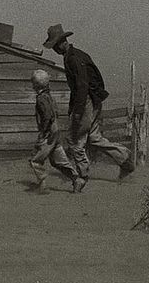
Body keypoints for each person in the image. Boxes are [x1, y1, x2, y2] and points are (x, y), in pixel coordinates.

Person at [42, 24, 135, 192]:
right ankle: (124, 159)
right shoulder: (75, 55)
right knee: (94, 138)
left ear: (62, 42)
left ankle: (82, 177)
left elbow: (82, 86)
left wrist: (77, 113)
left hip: (86, 102)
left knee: (75, 140)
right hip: (91, 100)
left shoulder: (73, 58)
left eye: (55, 45)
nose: (55, 49)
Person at [28, 69, 84, 194]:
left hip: (49, 134)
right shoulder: (49, 96)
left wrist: (43, 132)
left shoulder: (41, 99)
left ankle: (42, 185)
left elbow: (47, 116)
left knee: (35, 160)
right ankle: (77, 179)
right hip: (56, 131)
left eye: (33, 82)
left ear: (36, 84)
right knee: (58, 161)